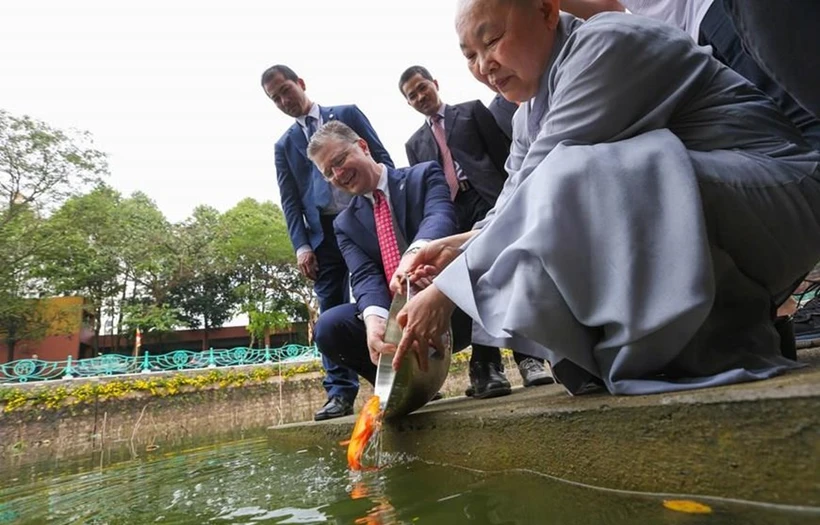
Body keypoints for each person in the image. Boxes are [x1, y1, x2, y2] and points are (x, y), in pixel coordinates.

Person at [388, 0, 820, 396]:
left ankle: (718, 342)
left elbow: (546, 181)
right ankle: (719, 333)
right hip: (722, 206)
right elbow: (510, 203)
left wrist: (445, 291)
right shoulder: (526, 116)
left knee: (576, 178)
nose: (485, 65)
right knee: (529, 234)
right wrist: (448, 246)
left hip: (788, 197)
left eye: (492, 40)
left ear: (545, 11)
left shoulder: (604, 44)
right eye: (469, 55)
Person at [308, 121, 511, 400]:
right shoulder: (345, 224)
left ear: (363, 147)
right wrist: (375, 321)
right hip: (398, 319)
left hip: (448, 303)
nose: (338, 175)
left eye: (339, 161)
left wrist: (414, 256)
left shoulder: (424, 175)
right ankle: (402, 385)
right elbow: (364, 275)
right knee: (330, 326)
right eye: (328, 173)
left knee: (474, 264)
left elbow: (439, 218)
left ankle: (486, 364)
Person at [400, 65, 552, 392]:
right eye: (411, 96)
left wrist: (511, 204)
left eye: (422, 87)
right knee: (468, 278)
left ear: (434, 83)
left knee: (508, 269)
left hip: (489, 200)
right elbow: (428, 187)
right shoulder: (415, 143)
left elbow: (504, 155)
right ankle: (486, 367)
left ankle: (530, 358)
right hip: (453, 214)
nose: (419, 97)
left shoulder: (470, 112)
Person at [261, 64, 395, 420]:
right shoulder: (284, 145)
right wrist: (301, 245)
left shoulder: (346, 114)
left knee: (382, 294)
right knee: (329, 309)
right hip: (324, 234)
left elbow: (379, 157)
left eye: (286, 90)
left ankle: (403, 371)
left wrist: (393, 205)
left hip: (365, 218)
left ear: (301, 83)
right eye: (275, 99)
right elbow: (289, 199)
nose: (284, 100)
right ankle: (339, 392)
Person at [560, 0, 820, 151]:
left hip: (715, 11)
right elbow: (610, 7)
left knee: (803, 118)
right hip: (697, 39)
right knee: (791, 132)